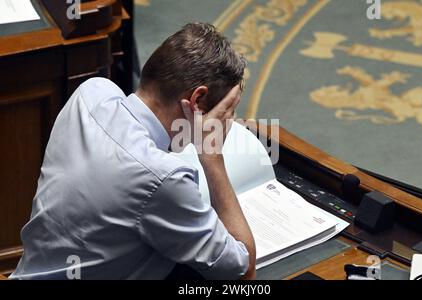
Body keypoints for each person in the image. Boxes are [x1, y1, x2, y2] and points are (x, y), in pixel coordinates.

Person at [10, 23, 256, 280]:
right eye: (227, 112)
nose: (229, 122)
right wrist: (212, 157)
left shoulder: (91, 93)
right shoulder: (162, 178)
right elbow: (241, 270)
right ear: (197, 101)